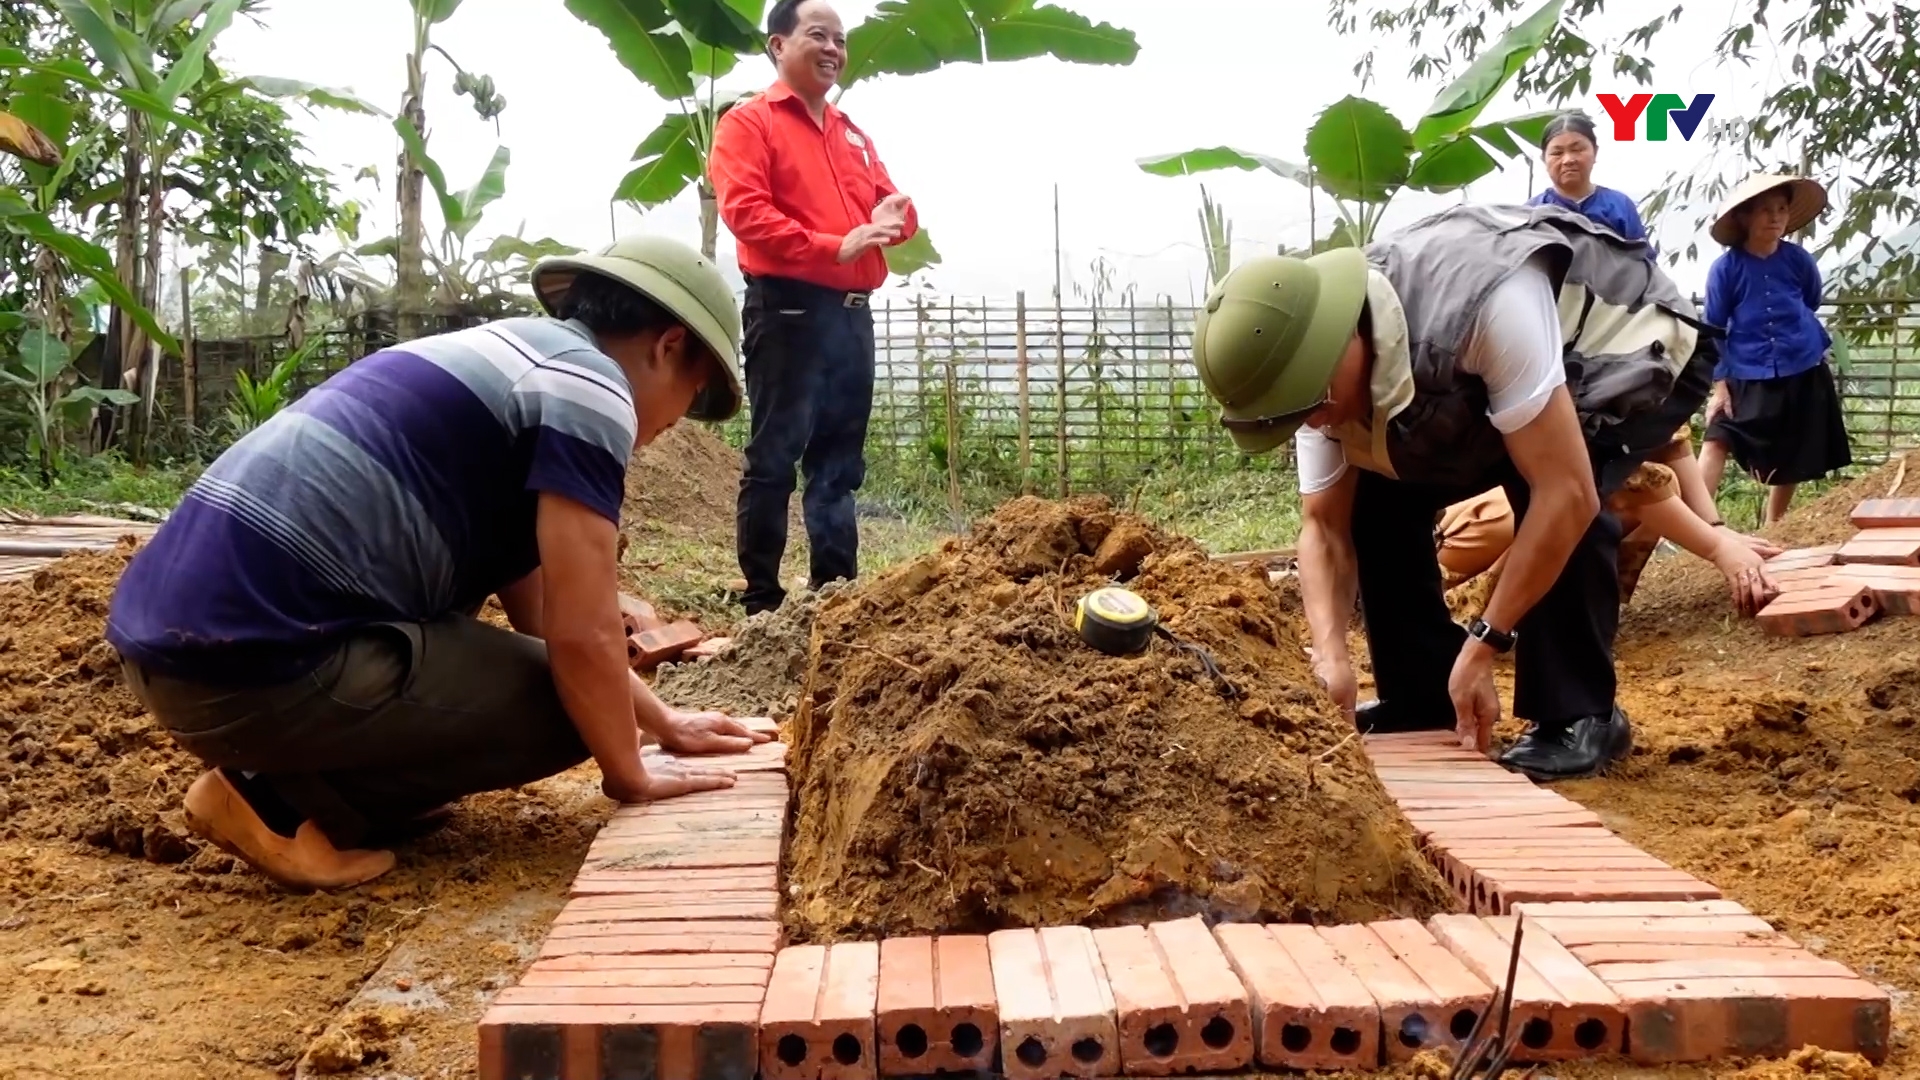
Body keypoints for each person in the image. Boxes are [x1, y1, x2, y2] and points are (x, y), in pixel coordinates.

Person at [103, 234, 774, 891]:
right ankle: (274, 801)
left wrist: (662, 722)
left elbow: (542, 613)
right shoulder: (590, 386)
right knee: (573, 712)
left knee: (582, 695)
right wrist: (630, 770)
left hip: (178, 657)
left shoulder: (514, 357)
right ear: (669, 346)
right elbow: (581, 633)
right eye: (692, 397)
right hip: (259, 667)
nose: (676, 422)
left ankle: (310, 785)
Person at [1191, 202, 1717, 781]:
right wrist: (1330, 653)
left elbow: (1565, 493)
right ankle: (1422, 695)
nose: (1313, 424)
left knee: (1559, 479)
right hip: (1479, 379)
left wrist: (1484, 644)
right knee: (1374, 496)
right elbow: (1324, 526)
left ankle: (1581, 713)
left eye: (1312, 405)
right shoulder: (1314, 375)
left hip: (1628, 342)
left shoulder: (1486, 306)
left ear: (1341, 341)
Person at [709, 0, 919, 617]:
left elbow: (896, 209)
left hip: (852, 316)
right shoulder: (748, 124)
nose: (833, 49)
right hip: (790, 314)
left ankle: (834, 595)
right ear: (778, 46)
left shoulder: (853, 134)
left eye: (841, 40)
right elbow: (745, 213)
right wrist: (836, 244)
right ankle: (764, 605)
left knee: (838, 463)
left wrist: (892, 218)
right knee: (775, 456)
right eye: (817, 36)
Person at [1437, 444, 1783, 616]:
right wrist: (1717, 550)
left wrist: (1717, 528)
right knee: (1625, 483)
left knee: (1656, 481)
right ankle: (1476, 615)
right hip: (1477, 521)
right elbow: (1628, 481)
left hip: (1496, 507)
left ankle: (1573, 609)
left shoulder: (1648, 360)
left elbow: (1674, 445)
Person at [1697, 173, 1850, 525]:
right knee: (1719, 435)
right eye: (1765, 210)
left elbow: (1810, 300)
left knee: (1793, 447)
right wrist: (1720, 385)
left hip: (1802, 362)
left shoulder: (1798, 260)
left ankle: (1774, 527)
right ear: (1745, 218)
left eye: (1781, 209)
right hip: (1747, 369)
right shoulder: (1726, 269)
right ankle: (1702, 526)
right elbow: (1715, 327)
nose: (1775, 217)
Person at [1528, 112, 1651, 251]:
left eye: (1578, 149)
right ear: (1544, 159)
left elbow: (1644, 260)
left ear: (1595, 152)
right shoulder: (1531, 212)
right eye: (1557, 153)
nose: (1568, 160)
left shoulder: (1619, 205)